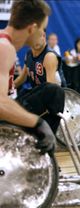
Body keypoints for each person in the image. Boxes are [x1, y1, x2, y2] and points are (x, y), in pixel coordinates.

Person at [0, 0, 55, 155]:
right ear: (32, 28)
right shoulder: (4, 47)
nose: (43, 33)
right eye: (43, 29)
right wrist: (37, 123)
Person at [14, 29, 65, 133]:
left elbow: (51, 88)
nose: (36, 42)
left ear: (43, 36)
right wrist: (7, 88)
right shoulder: (29, 53)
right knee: (13, 104)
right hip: (37, 94)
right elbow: (22, 78)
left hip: (54, 97)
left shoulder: (49, 56)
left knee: (20, 107)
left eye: (38, 38)